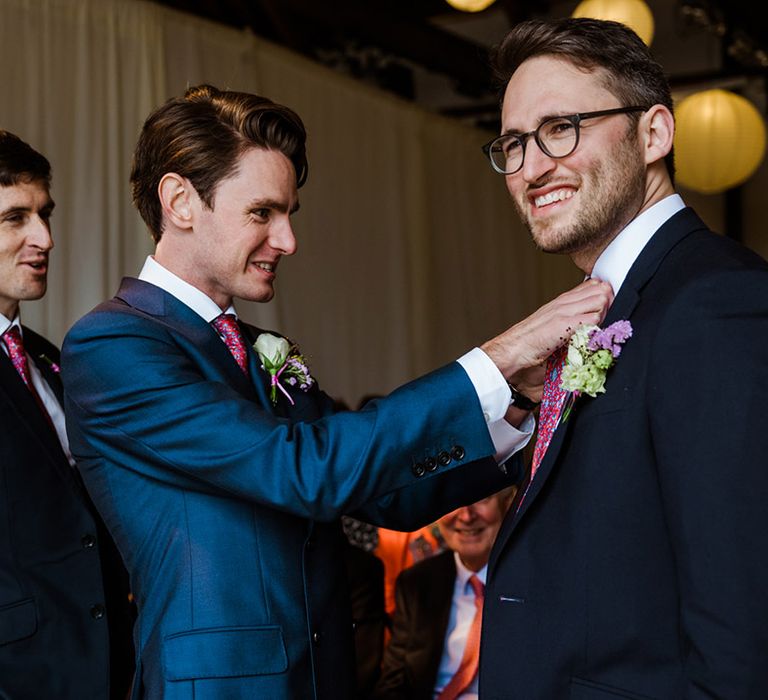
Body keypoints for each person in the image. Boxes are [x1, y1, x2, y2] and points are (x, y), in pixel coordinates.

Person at [61, 84, 612, 699]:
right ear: (180, 201)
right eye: (263, 213)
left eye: (289, 213)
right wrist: (497, 356)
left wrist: (518, 407)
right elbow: (304, 470)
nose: (288, 240)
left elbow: (385, 495)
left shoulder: (254, 343)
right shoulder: (113, 346)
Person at [478, 18, 768, 699]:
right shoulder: (604, 305)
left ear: (654, 135)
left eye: (561, 128)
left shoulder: (716, 303)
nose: (531, 168)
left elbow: (742, 625)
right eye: (514, 144)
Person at [0, 130, 135, 698]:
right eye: (15, 218)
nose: (45, 238)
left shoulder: (52, 359)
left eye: (45, 214)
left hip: (103, 666)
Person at [374, 488, 515, 700]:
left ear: (507, 502)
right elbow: (394, 683)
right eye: (454, 500)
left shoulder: (532, 584)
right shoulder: (417, 583)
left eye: (481, 498)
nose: (466, 516)